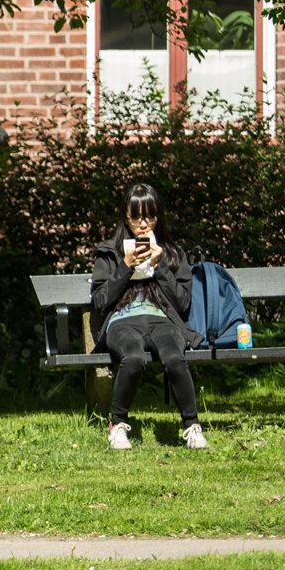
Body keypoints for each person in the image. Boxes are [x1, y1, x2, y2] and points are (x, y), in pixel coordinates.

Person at [89, 182, 208, 451]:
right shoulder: (109, 253)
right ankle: (117, 426)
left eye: (150, 216)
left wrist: (161, 265)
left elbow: (183, 303)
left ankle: (192, 426)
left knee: (175, 357)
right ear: (125, 217)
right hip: (123, 322)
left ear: (159, 216)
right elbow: (99, 301)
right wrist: (125, 267)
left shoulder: (174, 253)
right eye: (136, 216)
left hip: (162, 321)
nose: (143, 224)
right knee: (131, 358)